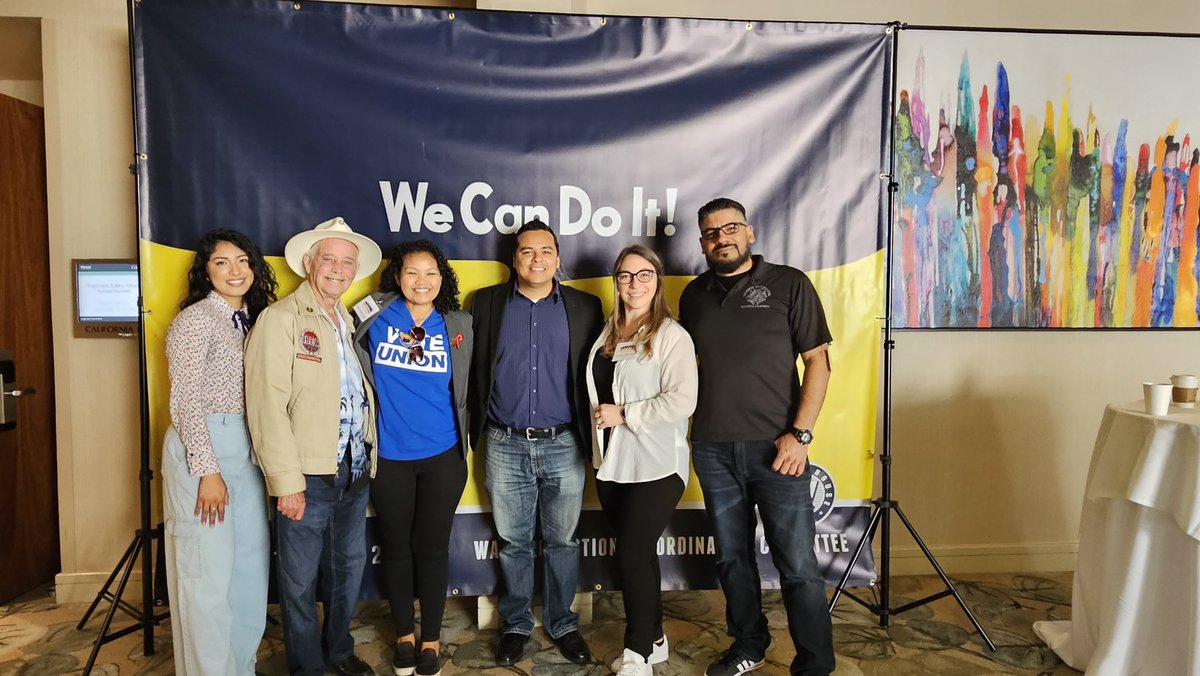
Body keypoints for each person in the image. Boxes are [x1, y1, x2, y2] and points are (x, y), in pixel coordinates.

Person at [678, 198, 834, 676]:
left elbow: (819, 364)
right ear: (702, 242)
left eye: (730, 228)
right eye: (710, 233)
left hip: (778, 451)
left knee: (799, 567)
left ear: (750, 233)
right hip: (713, 449)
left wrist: (799, 435)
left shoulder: (790, 284)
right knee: (731, 559)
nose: (721, 238)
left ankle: (814, 663)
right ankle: (749, 644)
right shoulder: (693, 295)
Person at [245, 216, 382, 676]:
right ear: (308, 263)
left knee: (347, 570)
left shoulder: (346, 320)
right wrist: (286, 482)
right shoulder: (279, 319)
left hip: (352, 470)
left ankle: (339, 651)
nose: (339, 270)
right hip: (306, 475)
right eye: (330, 260)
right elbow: (267, 406)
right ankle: (307, 666)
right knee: (300, 580)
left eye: (348, 263)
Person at [468, 219, 604, 666]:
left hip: (564, 442)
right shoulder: (485, 304)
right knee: (514, 542)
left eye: (545, 251)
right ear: (514, 259)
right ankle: (517, 623)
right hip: (504, 443)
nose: (537, 259)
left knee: (563, 540)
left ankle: (563, 622)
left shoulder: (585, 307)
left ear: (558, 258)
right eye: (527, 251)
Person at [351, 240, 473, 676]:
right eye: (411, 273)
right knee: (397, 548)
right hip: (390, 457)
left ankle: (431, 640)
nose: (421, 282)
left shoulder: (458, 323)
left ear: (442, 278)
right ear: (396, 277)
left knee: (432, 549)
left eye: (431, 274)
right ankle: (404, 634)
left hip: (444, 456)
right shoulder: (373, 314)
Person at [162, 228, 277, 675]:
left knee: (248, 572)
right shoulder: (194, 321)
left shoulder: (254, 319)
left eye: (243, 261)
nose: (235, 271)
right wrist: (207, 471)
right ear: (205, 271)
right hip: (203, 449)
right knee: (206, 575)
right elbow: (186, 400)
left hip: (247, 452)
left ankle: (240, 666)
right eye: (222, 262)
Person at [585, 245, 697, 676]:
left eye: (644, 274)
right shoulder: (607, 333)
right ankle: (655, 638)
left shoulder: (672, 335)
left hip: (656, 464)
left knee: (630, 556)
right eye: (625, 276)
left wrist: (625, 413)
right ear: (616, 282)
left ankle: (637, 655)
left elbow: (683, 401)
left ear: (658, 280)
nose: (634, 284)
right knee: (641, 554)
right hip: (613, 463)